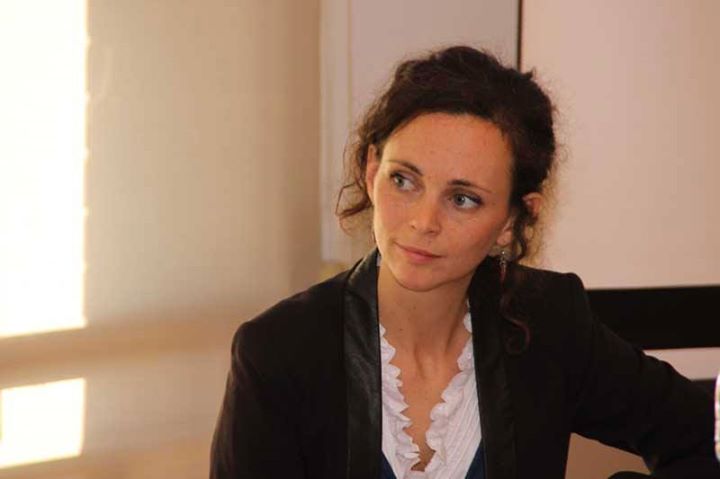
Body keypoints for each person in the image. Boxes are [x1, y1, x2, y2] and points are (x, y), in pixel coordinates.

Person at [209, 46, 718, 478]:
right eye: (404, 180)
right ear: (370, 170)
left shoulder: (550, 321)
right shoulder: (279, 353)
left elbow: (703, 434)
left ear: (514, 219)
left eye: (463, 199)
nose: (423, 221)